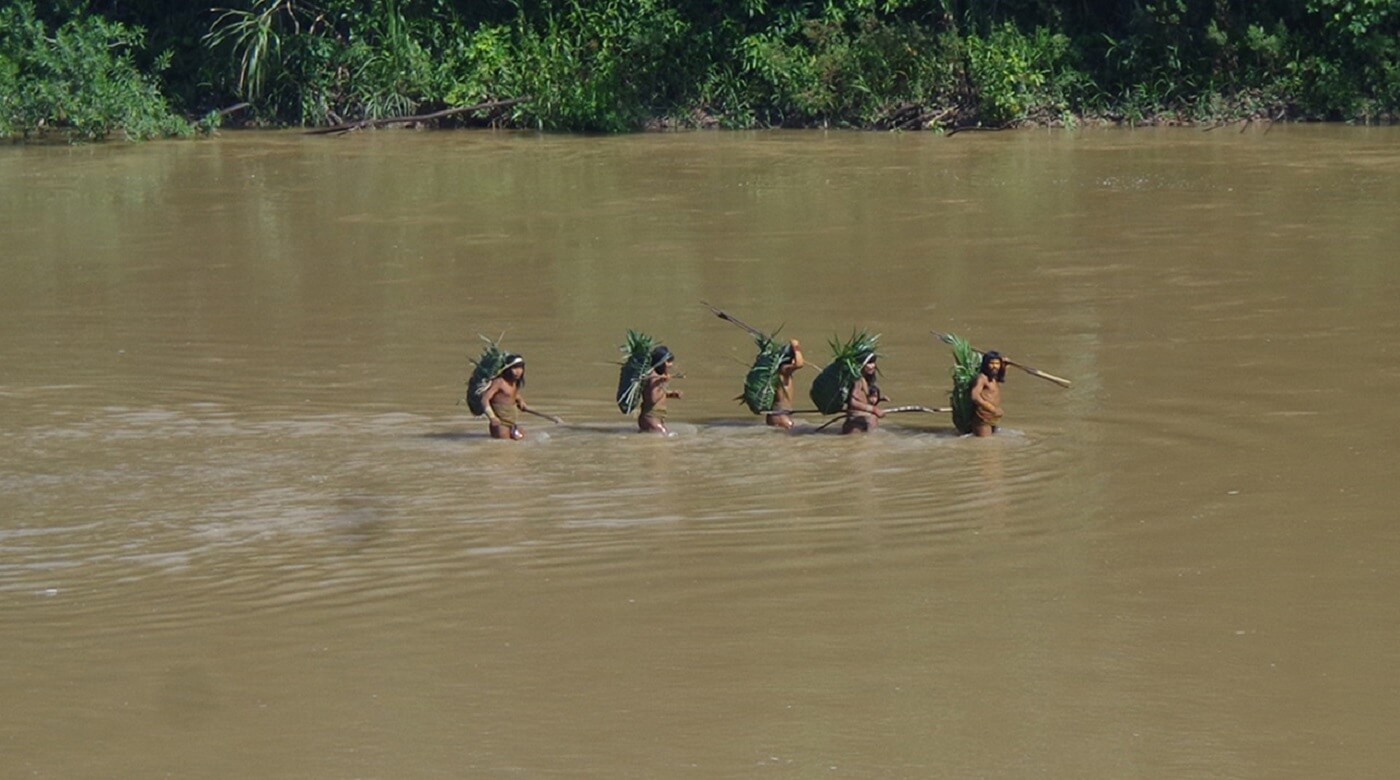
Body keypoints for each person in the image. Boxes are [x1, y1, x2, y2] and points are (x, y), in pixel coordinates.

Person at [480, 354, 532, 440]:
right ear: (507, 369)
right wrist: (492, 417)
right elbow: (484, 399)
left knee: (523, 437)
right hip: (500, 424)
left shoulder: (514, 382)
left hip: (512, 423)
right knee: (504, 448)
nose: (518, 371)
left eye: (520, 368)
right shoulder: (499, 382)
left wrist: (520, 401)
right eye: (514, 368)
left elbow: (512, 394)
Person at [639, 346, 683, 434]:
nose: (671, 365)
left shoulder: (657, 377)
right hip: (651, 419)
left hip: (654, 418)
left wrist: (671, 394)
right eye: (668, 362)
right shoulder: (653, 377)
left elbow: (654, 394)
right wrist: (665, 383)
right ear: (661, 363)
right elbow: (652, 399)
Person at [766, 339, 806, 430]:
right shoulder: (783, 370)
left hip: (777, 414)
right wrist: (796, 346)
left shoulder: (777, 372)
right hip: (780, 415)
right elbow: (799, 364)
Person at [842, 352, 886, 434]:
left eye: (873, 362)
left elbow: (862, 398)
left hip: (864, 421)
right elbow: (853, 402)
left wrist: (879, 399)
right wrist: (874, 410)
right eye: (869, 363)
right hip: (855, 424)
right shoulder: (857, 380)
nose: (872, 366)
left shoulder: (864, 379)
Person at [970, 351, 1006, 437]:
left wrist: (1005, 365)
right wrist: (992, 409)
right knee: (985, 445)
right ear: (986, 364)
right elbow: (975, 396)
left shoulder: (994, 377)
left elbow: (1001, 374)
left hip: (993, 417)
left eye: (997, 363)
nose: (995, 366)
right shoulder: (982, 378)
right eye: (992, 363)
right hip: (983, 418)